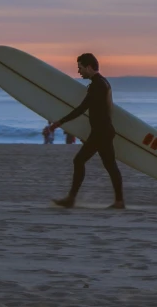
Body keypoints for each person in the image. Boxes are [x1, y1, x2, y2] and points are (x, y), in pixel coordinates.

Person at [48, 53, 124, 209]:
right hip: (103, 131)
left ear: (89, 67)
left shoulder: (98, 85)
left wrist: (60, 122)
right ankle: (119, 201)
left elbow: (83, 108)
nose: (79, 71)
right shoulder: (102, 83)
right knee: (110, 166)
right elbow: (101, 111)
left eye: (80, 68)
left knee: (80, 160)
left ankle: (71, 199)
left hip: (101, 132)